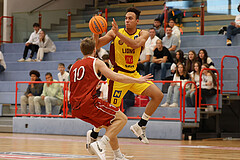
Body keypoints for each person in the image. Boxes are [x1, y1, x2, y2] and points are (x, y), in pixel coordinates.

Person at [69, 37, 153, 160]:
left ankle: (117, 155)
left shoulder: (74, 66)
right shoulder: (96, 62)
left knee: (110, 126)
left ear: (82, 50)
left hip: (75, 107)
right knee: (122, 119)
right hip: (89, 103)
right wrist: (137, 80)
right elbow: (116, 77)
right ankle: (100, 144)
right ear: (94, 50)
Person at [93, 7, 164, 146]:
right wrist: (96, 32)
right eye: (125, 18)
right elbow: (97, 45)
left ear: (137, 21)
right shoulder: (115, 33)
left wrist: (117, 34)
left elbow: (135, 44)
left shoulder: (142, 33)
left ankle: (141, 125)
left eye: (130, 18)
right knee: (111, 116)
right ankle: (95, 132)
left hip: (134, 75)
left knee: (158, 95)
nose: (127, 21)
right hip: (118, 76)